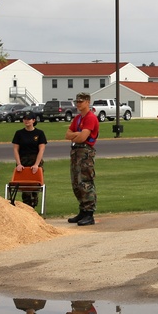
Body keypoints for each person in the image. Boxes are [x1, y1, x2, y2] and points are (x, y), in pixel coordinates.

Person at [65, 92, 99, 226]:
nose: (78, 104)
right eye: (77, 102)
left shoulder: (90, 118)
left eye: (81, 102)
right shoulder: (78, 118)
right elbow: (67, 135)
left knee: (85, 181)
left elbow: (82, 138)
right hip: (76, 151)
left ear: (88, 102)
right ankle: (83, 211)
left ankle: (89, 213)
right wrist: (76, 134)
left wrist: (77, 135)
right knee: (76, 182)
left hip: (85, 152)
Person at [11, 111, 47, 207]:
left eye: (29, 119)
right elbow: (15, 149)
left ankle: (34, 204)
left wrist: (36, 164)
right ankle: (27, 205)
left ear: (33, 120)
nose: (26, 121)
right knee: (25, 187)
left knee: (35, 186)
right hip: (23, 160)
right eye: (25, 119)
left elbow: (41, 150)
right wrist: (18, 163)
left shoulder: (39, 133)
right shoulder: (19, 133)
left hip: (35, 160)